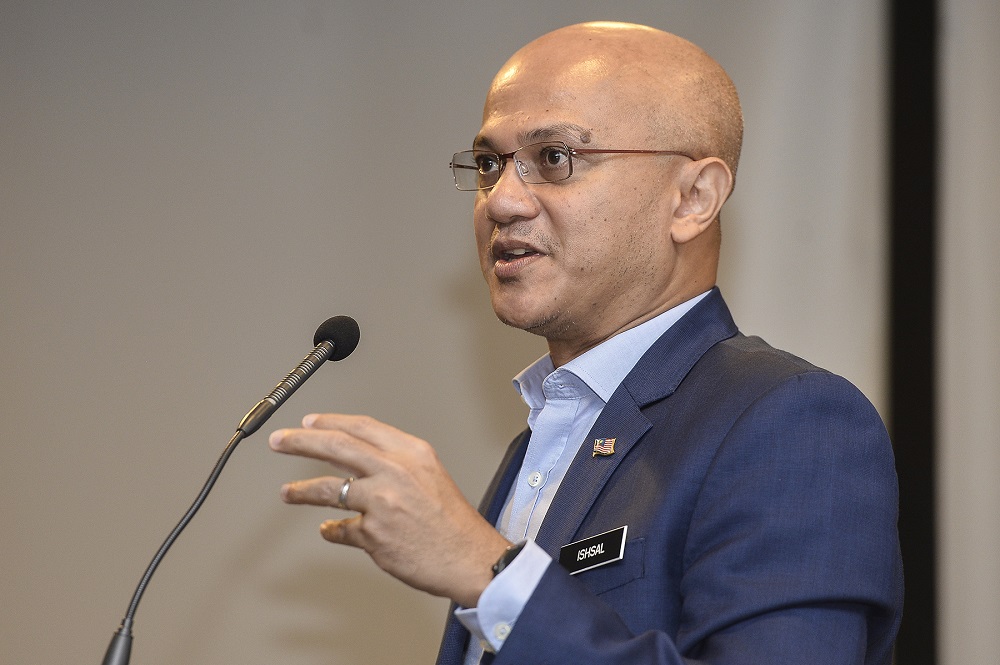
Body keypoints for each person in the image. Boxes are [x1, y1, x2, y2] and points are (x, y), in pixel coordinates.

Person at [268, 21, 903, 665]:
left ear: (693, 197)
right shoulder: (543, 440)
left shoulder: (787, 420)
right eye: (490, 164)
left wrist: (487, 570)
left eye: (554, 159)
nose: (503, 201)